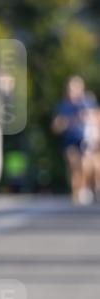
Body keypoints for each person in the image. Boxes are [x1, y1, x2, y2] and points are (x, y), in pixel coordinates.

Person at [52, 76, 97, 204]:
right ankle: (76, 193)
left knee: (85, 166)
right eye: (70, 89)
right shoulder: (63, 105)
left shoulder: (87, 102)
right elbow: (56, 126)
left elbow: (95, 119)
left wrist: (89, 117)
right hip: (69, 141)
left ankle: (83, 188)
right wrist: (65, 122)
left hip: (85, 140)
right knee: (74, 165)